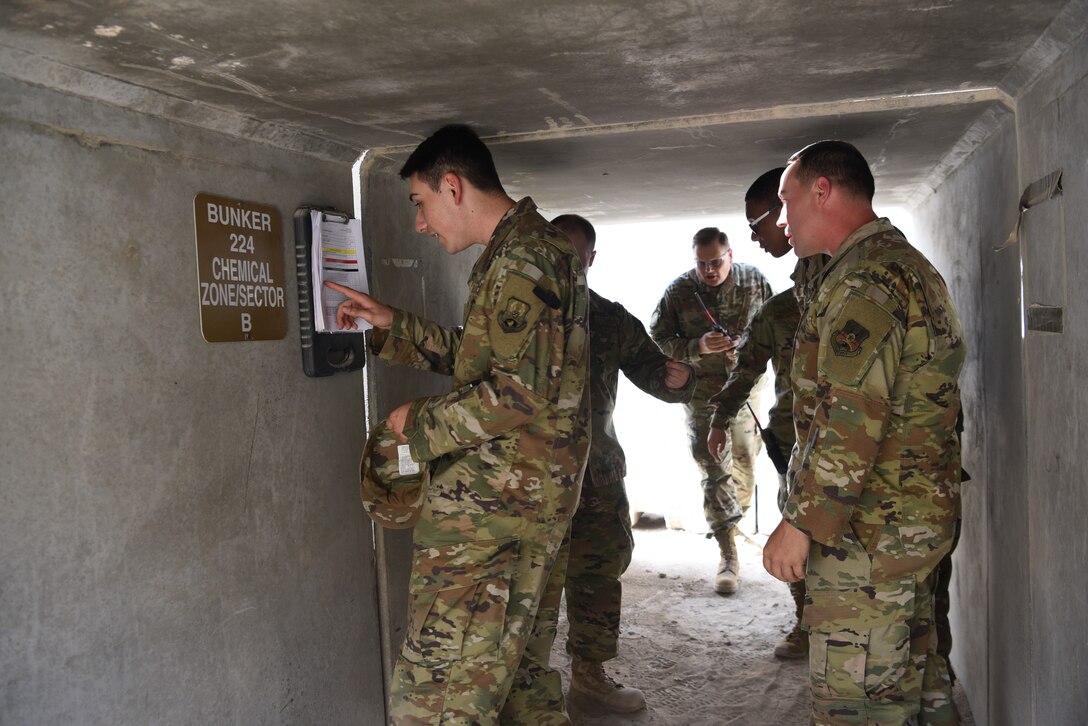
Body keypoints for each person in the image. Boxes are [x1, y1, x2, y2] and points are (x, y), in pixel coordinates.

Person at [326, 125, 591, 725]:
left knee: (438, 691)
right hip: (529, 500)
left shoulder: (524, 259)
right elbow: (492, 361)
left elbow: (516, 392)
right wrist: (393, 323)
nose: (419, 223)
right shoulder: (525, 251)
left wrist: (415, 424)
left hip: (495, 510)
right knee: (519, 680)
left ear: (452, 186)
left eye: (419, 203)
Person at [763, 140, 965, 725]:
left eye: (786, 201)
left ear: (821, 192)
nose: (781, 220)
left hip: (871, 537)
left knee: (858, 704)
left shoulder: (866, 283)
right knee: (920, 682)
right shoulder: (902, 267)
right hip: (909, 525)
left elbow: (850, 418)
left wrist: (801, 523)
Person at [550, 214, 694, 713]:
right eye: (555, 251)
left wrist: (675, 379)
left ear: (592, 259)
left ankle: (589, 677)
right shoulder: (517, 315)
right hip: (530, 481)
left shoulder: (610, 320)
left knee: (597, 576)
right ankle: (526, 691)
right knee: (524, 586)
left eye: (576, 254)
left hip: (596, 476)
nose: (566, 263)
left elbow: (650, 368)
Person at [704, 168, 826, 659]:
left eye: (757, 222)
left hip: (850, 459)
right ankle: (805, 623)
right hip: (794, 450)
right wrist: (718, 419)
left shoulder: (849, 288)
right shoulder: (780, 311)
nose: (753, 235)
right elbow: (747, 368)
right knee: (798, 544)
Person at [649, 227, 772, 594]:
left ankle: (732, 526)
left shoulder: (754, 281)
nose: (709, 270)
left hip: (746, 392)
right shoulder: (679, 291)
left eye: (716, 262)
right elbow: (658, 338)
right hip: (702, 395)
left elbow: (777, 330)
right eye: (701, 264)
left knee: (745, 466)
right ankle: (727, 553)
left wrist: (745, 348)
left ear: (730, 255)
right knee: (713, 467)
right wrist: (696, 346)